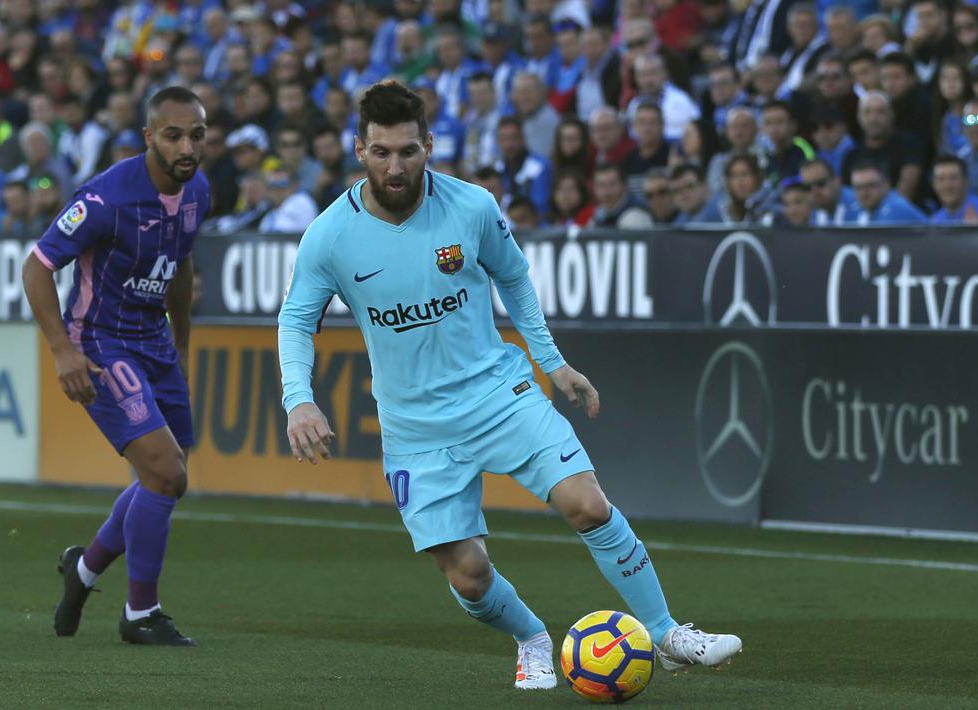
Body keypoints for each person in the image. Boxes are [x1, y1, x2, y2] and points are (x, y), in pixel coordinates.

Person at [277, 81, 742, 691]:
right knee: (468, 576)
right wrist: (299, 399)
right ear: (360, 149)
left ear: (429, 146)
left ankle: (665, 633)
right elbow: (296, 320)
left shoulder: (471, 206)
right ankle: (532, 638)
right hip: (416, 427)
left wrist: (552, 362)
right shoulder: (330, 235)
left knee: (587, 504)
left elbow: (515, 279)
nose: (395, 167)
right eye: (382, 152)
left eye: (409, 151)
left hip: (499, 394)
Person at [21, 87, 211, 648]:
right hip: (101, 341)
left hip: (155, 340)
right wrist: (62, 350)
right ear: (149, 137)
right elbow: (37, 267)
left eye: (197, 135)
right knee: (166, 472)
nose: (187, 147)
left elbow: (181, 262)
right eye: (173, 135)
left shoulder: (199, 190)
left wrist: (181, 343)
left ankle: (82, 570)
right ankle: (140, 612)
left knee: (164, 476)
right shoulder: (106, 198)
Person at [930, 156, 978, 224]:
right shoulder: (935, 221)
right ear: (933, 184)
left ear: (966, 181)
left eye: (953, 178)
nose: (947, 185)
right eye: (941, 179)